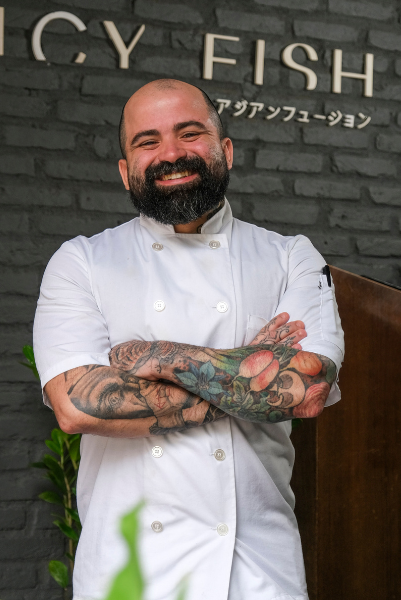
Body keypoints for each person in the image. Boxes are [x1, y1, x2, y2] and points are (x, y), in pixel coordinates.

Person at [32, 79, 343, 600]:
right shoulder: (81, 262)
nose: (171, 153)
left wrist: (155, 356)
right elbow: (77, 405)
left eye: (190, 133)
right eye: (147, 141)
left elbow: (307, 389)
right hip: (129, 574)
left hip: (257, 570)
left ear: (226, 150)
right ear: (125, 170)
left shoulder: (291, 256)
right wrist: (251, 376)